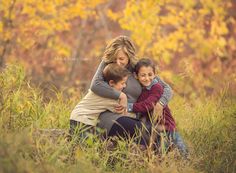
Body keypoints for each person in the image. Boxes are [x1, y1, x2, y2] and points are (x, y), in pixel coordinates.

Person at [90, 35, 173, 147]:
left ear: (129, 56)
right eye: (114, 58)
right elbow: (95, 85)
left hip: (133, 117)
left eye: (121, 59)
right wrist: (121, 96)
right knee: (148, 133)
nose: (117, 62)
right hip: (112, 116)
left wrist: (161, 103)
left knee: (159, 135)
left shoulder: (137, 68)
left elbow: (166, 88)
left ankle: (160, 161)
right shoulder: (108, 66)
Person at [128, 58, 188, 157]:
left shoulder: (157, 87)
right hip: (154, 130)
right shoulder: (140, 91)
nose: (147, 78)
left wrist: (129, 107)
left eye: (150, 74)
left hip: (167, 127)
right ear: (136, 76)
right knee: (160, 154)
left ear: (155, 74)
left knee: (183, 152)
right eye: (143, 75)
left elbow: (147, 105)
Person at [69, 63, 132, 137]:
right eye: (122, 83)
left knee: (97, 139)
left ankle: (73, 135)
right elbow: (122, 111)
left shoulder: (101, 89)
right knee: (88, 145)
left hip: (78, 117)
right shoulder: (109, 96)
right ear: (111, 83)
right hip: (82, 120)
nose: (125, 86)